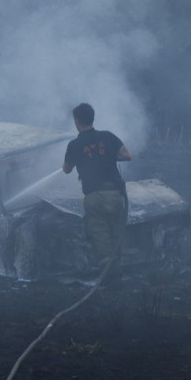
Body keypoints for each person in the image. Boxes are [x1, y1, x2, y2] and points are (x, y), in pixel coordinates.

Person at [62, 103, 133, 284]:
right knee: (116, 232)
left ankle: (111, 278)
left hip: (94, 197)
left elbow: (67, 170)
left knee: (99, 235)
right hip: (116, 195)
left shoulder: (75, 145)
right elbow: (127, 155)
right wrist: (106, 156)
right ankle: (119, 273)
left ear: (77, 122)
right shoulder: (108, 137)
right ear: (92, 118)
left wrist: (81, 160)